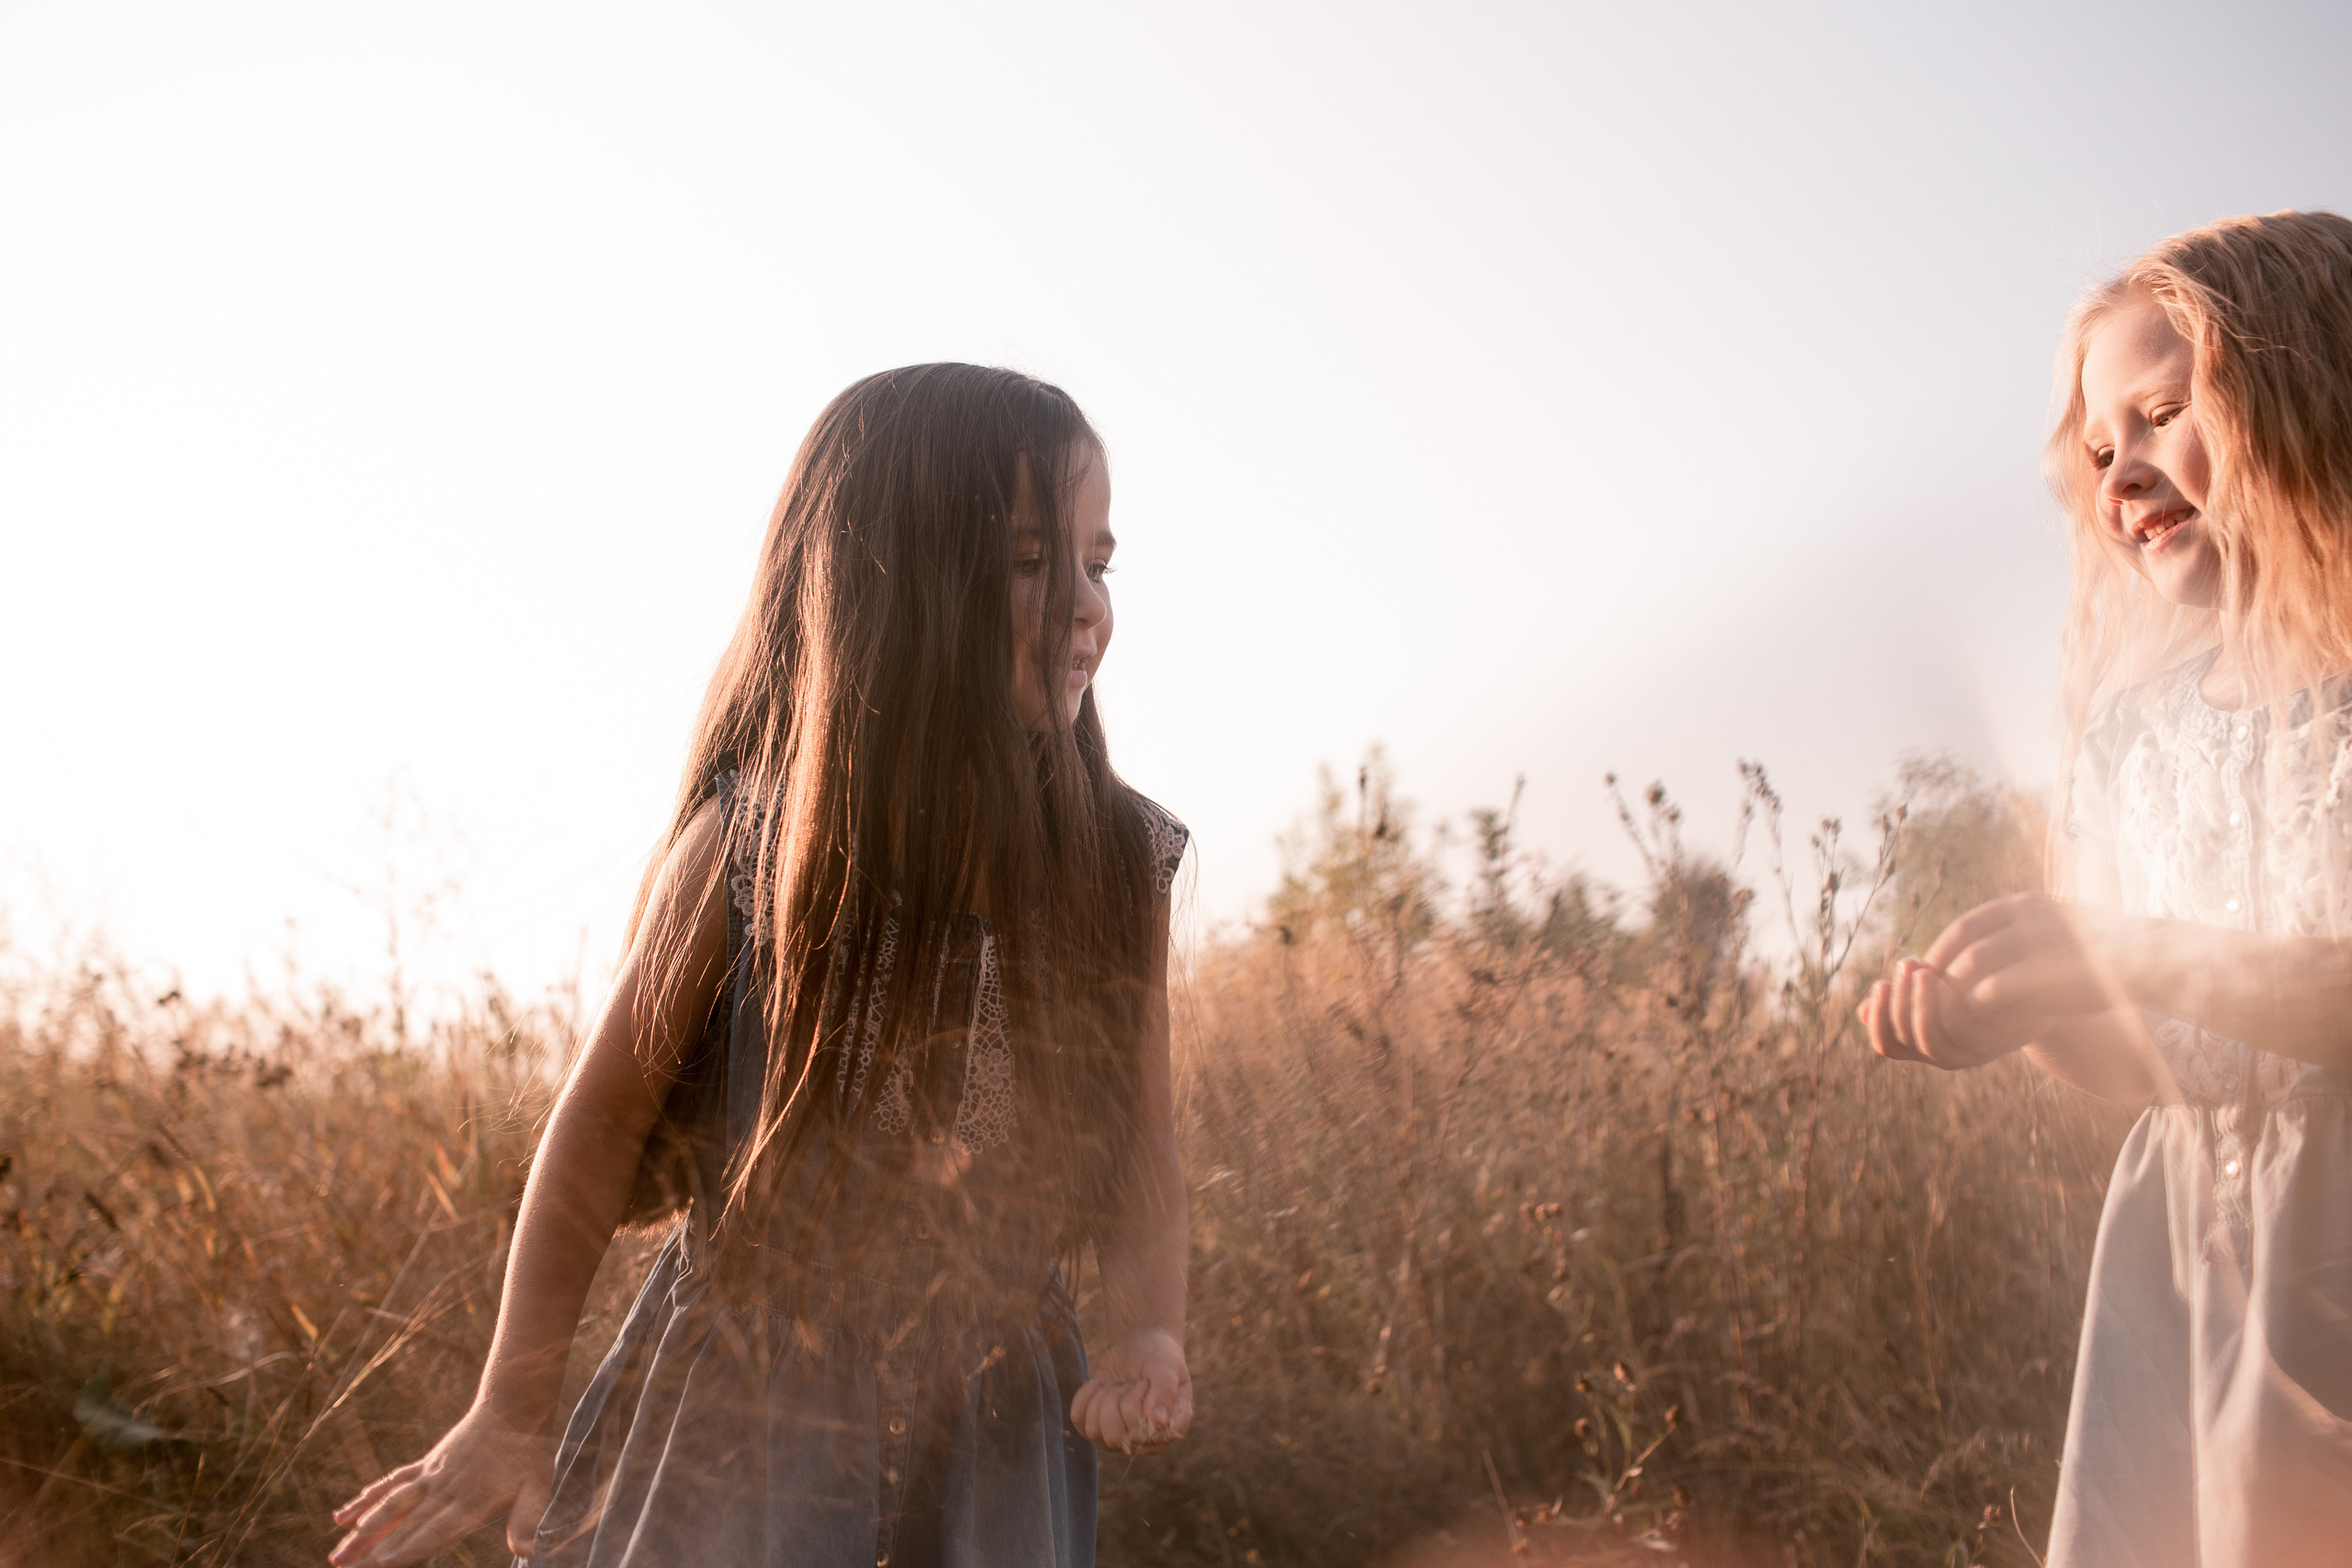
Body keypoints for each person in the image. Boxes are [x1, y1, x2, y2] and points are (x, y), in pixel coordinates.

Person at [328, 364, 1194, 1568]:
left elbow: (1140, 1143)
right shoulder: (749, 851)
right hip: (748, 1416)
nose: (1086, 605)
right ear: (896, 581)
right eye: (1033, 559)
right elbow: (595, 1135)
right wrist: (510, 1413)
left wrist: (1149, 1332)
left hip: (997, 1423)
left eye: (1099, 562)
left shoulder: (1112, 865)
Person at [1860, 211, 2352, 1566]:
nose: (2121, 467)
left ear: (2307, 393)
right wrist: (2025, 1018)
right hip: (2184, 1260)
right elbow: (2148, 1063)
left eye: (2162, 412)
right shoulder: (2142, 734)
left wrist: (2134, 950)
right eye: (2096, 447)